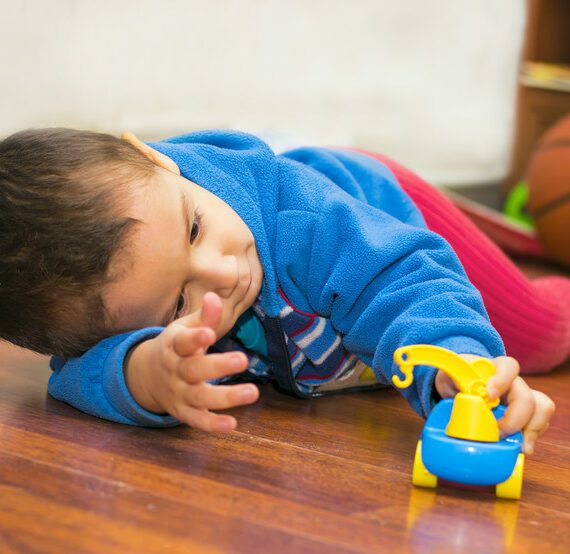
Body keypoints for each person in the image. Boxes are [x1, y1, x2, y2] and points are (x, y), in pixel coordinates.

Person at [0, 127, 563, 455]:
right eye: (176, 304)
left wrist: (457, 365)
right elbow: (73, 372)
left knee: (535, 333)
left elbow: (405, 281)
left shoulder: (304, 218)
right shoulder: (128, 292)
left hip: (380, 203)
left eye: (194, 228)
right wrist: (143, 373)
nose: (221, 274)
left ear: (156, 159)